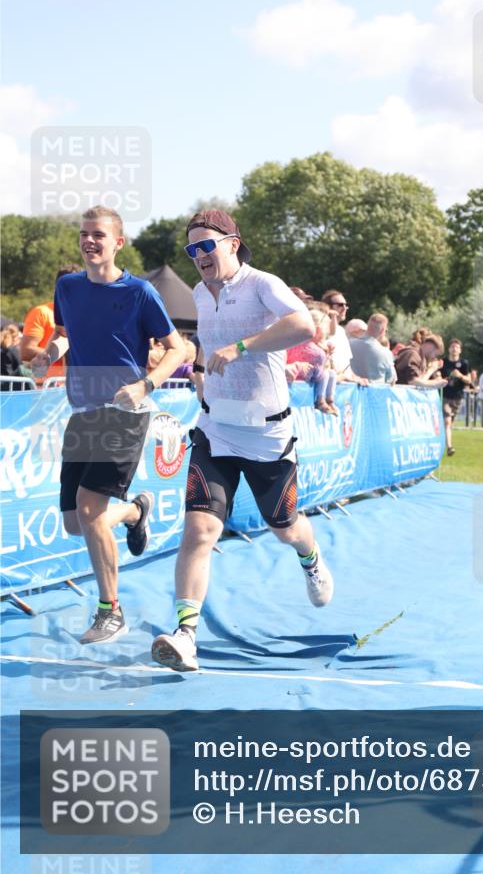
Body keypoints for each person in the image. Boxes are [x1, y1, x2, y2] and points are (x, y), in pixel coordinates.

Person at [151, 209, 334, 673]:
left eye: (206, 246)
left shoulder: (261, 283)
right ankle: (186, 635)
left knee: (285, 528)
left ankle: (311, 559)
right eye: (192, 249)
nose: (199, 256)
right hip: (215, 431)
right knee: (199, 530)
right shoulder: (197, 292)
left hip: (268, 436)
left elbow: (303, 327)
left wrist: (243, 347)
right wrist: (199, 369)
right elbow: (210, 345)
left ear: (233, 243)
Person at [31, 206, 186, 645]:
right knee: (75, 523)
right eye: (84, 234)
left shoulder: (139, 293)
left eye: (98, 234)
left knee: (88, 507)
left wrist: (146, 385)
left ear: (118, 242)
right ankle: (135, 510)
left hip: (125, 413)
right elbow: (68, 333)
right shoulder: (67, 286)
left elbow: (178, 348)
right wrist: (51, 352)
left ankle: (110, 612)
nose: (89, 241)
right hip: (82, 414)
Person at [20, 266, 82, 384]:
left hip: (72, 388)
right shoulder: (41, 312)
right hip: (45, 389)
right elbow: (26, 351)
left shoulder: (82, 316)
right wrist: (60, 352)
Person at [287, 307, 339, 415]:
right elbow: (318, 374)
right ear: (319, 330)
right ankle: (322, 400)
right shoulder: (315, 351)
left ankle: (328, 400)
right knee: (327, 374)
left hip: (295, 376)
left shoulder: (292, 340)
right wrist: (326, 356)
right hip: (299, 378)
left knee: (331, 373)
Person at [440, 339, 471, 455]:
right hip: (445, 395)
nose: (454, 349)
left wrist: (460, 376)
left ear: (460, 350)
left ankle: (444, 443)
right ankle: (449, 447)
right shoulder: (443, 363)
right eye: (452, 346)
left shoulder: (464, 363)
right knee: (447, 422)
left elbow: (469, 380)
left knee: (449, 423)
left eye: (457, 347)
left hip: (458, 397)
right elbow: (437, 377)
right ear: (449, 349)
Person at [349, 313, 396, 385]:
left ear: (368, 327)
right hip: (375, 394)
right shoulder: (386, 353)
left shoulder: (349, 344)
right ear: (383, 330)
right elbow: (391, 380)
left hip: (351, 393)